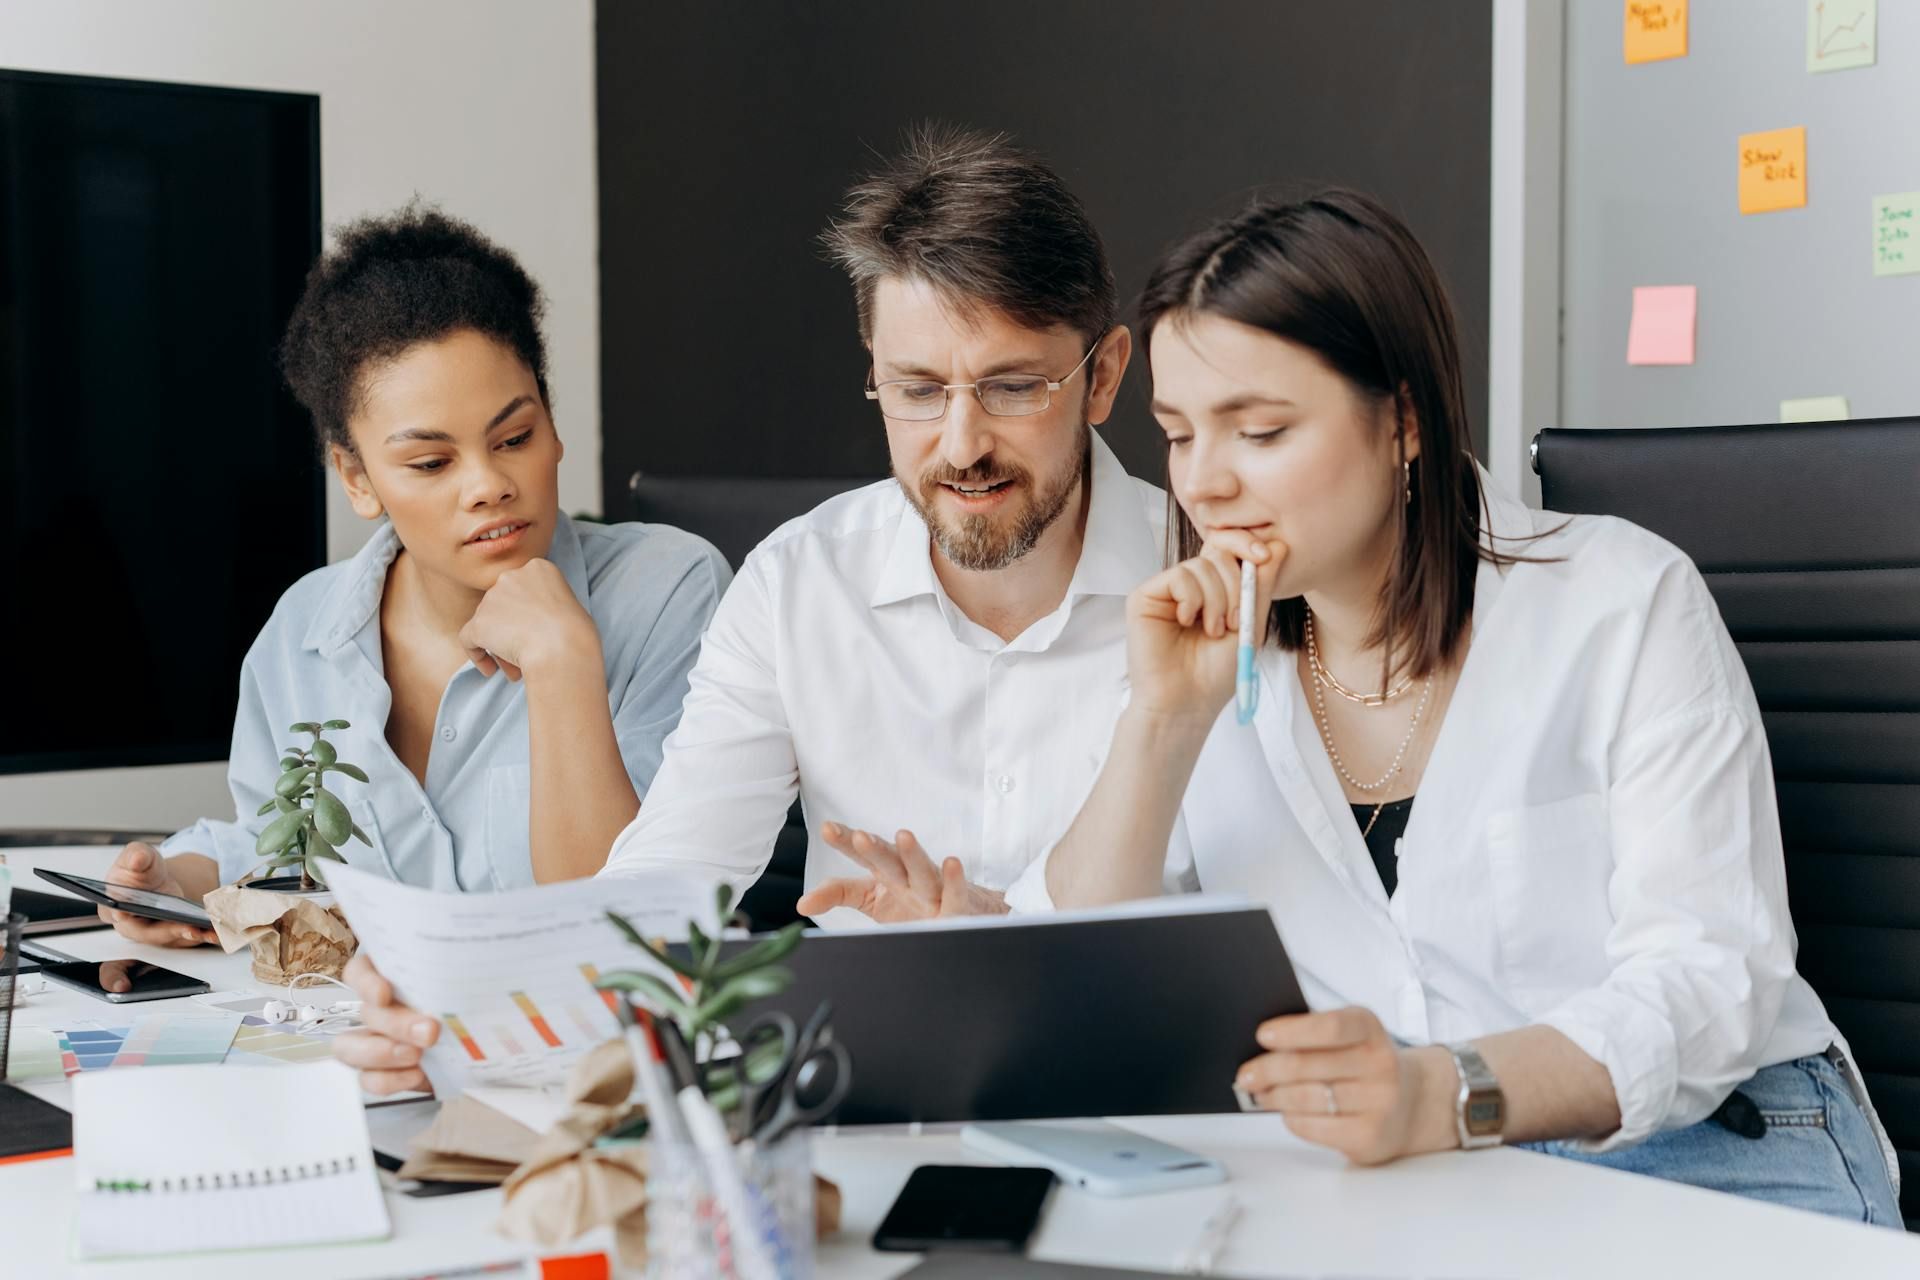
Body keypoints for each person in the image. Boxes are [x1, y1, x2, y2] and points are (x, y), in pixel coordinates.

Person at [826, 190, 1902, 1224]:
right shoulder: (1203, 654)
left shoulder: (1621, 602)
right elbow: (1098, 977)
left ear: (1405, 421)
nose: (1203, 484)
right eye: (1181, 433)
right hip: (1417, 1184)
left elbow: (1711, 981)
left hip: (1716, 1149)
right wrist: (1158, 731)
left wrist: (1445, 1090)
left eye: (1258, 430)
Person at [337, 125, 1168, 1094]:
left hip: (1164, 1103)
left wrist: (1002, 952)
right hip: (864, 1102)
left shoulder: (1215, 583)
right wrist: (451, 999)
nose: (960, 442)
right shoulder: (797, 582)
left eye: (1013, 387)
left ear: (1102, 376)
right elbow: (663, 894)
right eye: (915, 389)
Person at [98, 204, 729, 949]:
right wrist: (184, 884)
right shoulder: (306, 630)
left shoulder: (669, 589)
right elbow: (278, 845)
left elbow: (617, 931)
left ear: (553, 429)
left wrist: (562, 662)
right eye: (431, 463)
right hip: (371, 1046)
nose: (489, 484)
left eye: (515, 437)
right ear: (357, 479)